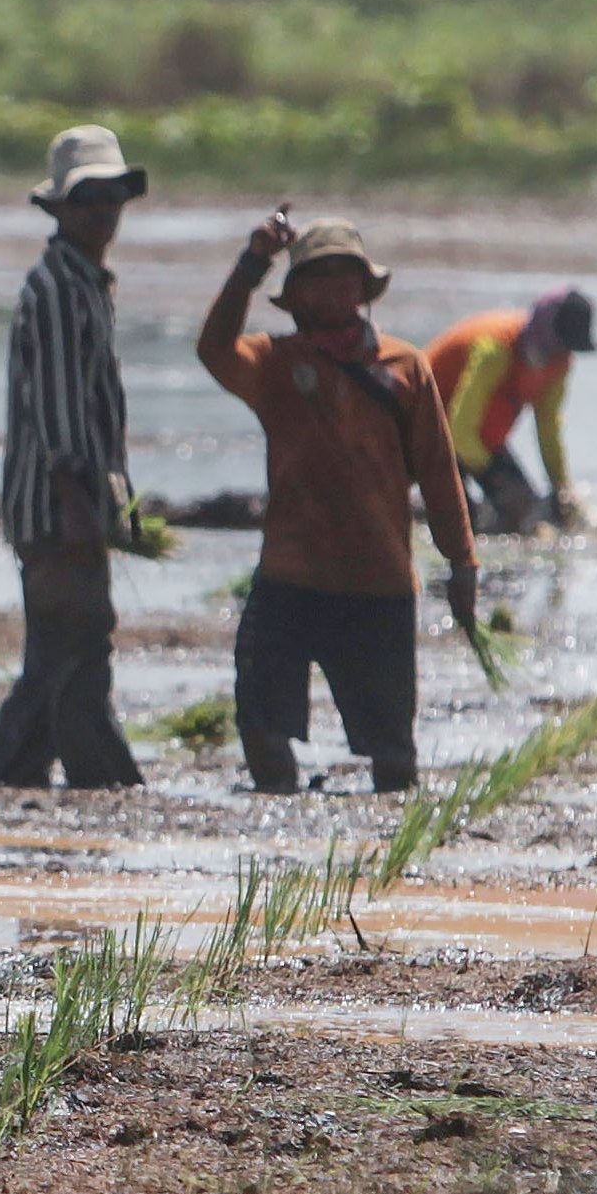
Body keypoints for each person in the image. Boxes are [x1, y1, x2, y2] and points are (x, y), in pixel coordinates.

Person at [194, 213, 479, 798]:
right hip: (291, 577)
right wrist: (251, 265)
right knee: (262, 723)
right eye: (317, 279)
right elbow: (213, 350)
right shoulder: (273, 363)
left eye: (345, 277)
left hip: (378, 582)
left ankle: (384, 850)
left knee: (392, 752)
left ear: (364, 290)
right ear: (295, 295)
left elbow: (439, 473)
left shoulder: (405, 368)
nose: (332, 291)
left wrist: (463, 563)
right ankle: (282, 831)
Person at [0, 123, 148, 795]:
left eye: (111, 198)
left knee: (68, 646)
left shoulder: (85, 283)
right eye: (88, 200)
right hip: (55, 506)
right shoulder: (53, 289)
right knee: (72, 644)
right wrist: (80, 505)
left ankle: (39, 770)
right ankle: (63, 772)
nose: (103, 212)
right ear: (59, 208)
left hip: (75, 501)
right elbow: (57, 418)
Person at [421, 288, 596, 539]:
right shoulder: (496, 350)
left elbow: (548, 429)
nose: (560, 356)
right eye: (559, 344)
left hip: (481, 440)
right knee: (457, 526)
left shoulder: (559, 365)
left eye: (568, 349)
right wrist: (499, 483)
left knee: (527, 514)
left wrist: (562, 487)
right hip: (427, 433)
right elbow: (458, 432)